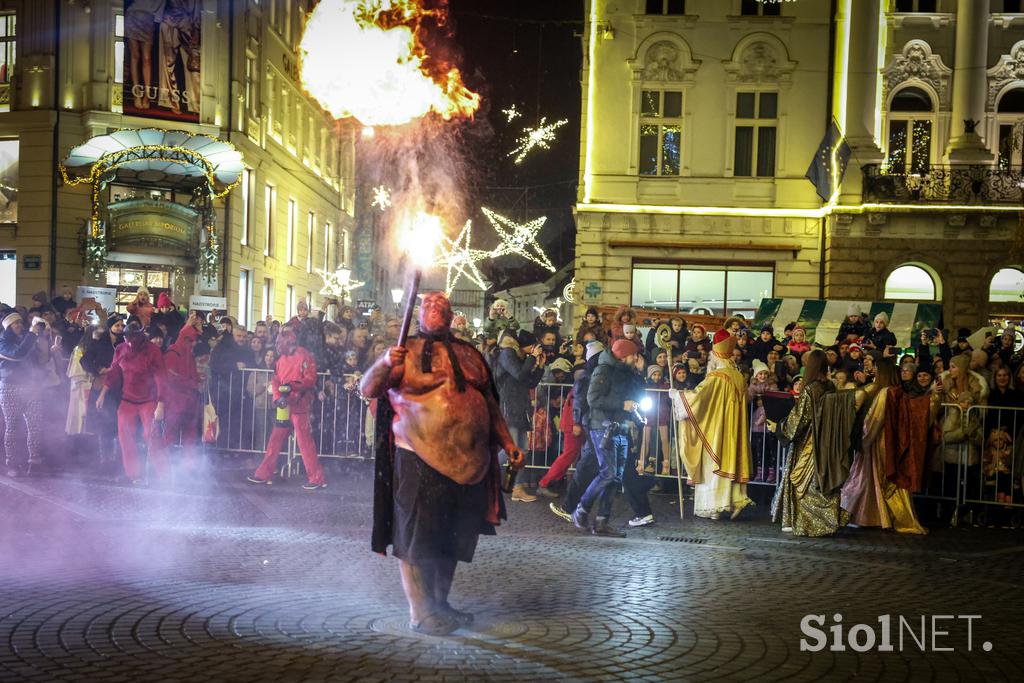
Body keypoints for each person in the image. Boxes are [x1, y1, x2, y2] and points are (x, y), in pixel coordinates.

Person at [359, 291, 522, 636]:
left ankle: (439, 604)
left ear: (451, 315)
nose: (436, 309)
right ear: (418, 312)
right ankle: (420, 612)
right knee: (415, 539)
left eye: (442, 306)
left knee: (452, 539)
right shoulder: (403, 352)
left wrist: (507, 442)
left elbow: (490, 404)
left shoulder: (470, 355)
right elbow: (367, 388)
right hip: (418, 456)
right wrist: (386, 361)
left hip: (469, 466)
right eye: (429, 304)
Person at [669, 329, 753, 519]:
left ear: (715, 354)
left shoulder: (717, 377)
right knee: (732, 461)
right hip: (735, 431)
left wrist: (678, 396)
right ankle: (734, 501)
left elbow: (699, 398)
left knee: (714, 464)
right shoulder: (738, 376)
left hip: (718, 430)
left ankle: (716, 507)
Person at [771, 349, 855, 536]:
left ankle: (810, 523)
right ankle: (828, 518)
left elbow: (800, 419)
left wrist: (780, 426)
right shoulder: (830, 386)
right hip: (826, 443)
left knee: (804, 482)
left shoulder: (810, 389)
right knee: (820, 481)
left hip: (808, 444)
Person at [841, 359, 927, 534]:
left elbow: (875, 418)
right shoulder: (898, 391)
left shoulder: (885, 392)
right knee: (875, 480)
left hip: (879, 441)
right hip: (890, 439)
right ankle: (877, 515)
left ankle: (867, 515)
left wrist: (861, 438)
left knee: (869, 477)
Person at [570, 339, 641, 537]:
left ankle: (602, 521)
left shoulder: (627, 372)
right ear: (623, 355)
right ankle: (581, 509)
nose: (636, 358)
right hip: (602, 426)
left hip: (621, 426)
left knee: (616, 477)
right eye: (633, 355)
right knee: (608, 473)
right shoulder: (603, 370)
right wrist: (622, 404)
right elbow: (593, 398)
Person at [247, 328, 326, 490]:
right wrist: (278, 397)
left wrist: (291, 388)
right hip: (285, 403)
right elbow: (276, 380)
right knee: (276, 440)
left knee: (304, 441)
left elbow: (310, 379)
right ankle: (264, 473)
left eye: (279, 342)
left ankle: (316, 478)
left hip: (300, 404)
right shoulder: (281, 360)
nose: (276, 345)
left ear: (288, 342)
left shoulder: (303, 355)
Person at [97, 322, 167, 485]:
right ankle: (133, 474)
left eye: (133, 337)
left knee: (151, 435)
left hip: (148, 400)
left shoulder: (152, 350)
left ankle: (162, 473)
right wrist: (103, 393)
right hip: (128, 399)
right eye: (127, 337)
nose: (130, 340)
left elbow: (161, 378)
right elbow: (114, 372)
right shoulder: (121, 349)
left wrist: (161, 403)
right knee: (125, 436)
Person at [493, 328, 546, 502]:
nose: (535, 349)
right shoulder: (508, 354)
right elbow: (519, 374)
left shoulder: (521, 358)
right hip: (509, 407)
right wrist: (531, 359)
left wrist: (539, 366)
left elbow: (529, 381)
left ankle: (514, 487)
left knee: (522, 450)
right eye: (533, 346)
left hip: (520, 408)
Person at [0, 312, 44, 477]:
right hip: (10, 388)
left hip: (31, 386)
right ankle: (12, 463)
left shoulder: (28, 338)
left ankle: (35, 462)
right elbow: (18, 354)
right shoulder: (3, 342)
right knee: (12, 427)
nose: (19, 325)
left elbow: (40, 360)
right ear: (8, 327)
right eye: (15, 323)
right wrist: (32, 334)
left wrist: (47, 345)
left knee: (35, 426)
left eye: (20, 322)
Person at [161, 313, 203, 474]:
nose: (193, 344)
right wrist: (193, 382)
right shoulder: (174, 352)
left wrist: (197, 379)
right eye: (191, 340)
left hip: (188, 401)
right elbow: (171, 377)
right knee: (171, 435)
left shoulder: (185, 352)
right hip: (176, 401)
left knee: (189, 436)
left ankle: (188, 467)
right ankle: (164, 466)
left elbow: (186, 374)